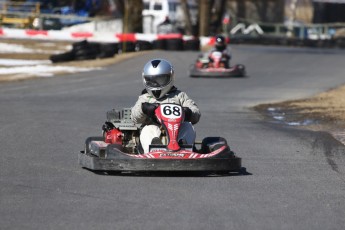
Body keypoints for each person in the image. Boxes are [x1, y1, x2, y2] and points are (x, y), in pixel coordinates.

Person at [131, 59, 201, 153]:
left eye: (160, 80)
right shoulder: (144, 98)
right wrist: (143, 109)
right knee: (148, 129)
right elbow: (135, 118)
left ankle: (183, 147)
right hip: (155, 130)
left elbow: (195, 112)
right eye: (152, 80)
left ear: (170, 77)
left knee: (188, 126)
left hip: (176, 131)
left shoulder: (179, 96)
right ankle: (153, 148)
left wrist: (189, 112)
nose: (156, 84)